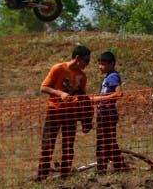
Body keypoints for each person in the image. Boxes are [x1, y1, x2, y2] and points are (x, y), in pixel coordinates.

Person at [36, 44, 91, 181]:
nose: (87, 64)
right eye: (86, 60)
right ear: (77, 58)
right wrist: (60, 93)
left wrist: (83, 114)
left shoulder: (82, 76)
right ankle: (42, 176)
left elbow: (82, 95)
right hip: (55, 110)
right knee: (48, 143)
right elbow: (43, 87)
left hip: (71, 114)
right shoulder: (58, 68)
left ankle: (65, 174)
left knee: (68, 145)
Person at [93, 51, 128, 174]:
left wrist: (100, 99)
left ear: (111, 64)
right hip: (103, 114)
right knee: (109, 142)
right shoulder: (107, 76)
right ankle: (120, 167)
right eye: (99, 64)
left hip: (107, 114)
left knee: (103, 143)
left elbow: (119, 93)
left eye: (103, 64)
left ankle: (101, 170)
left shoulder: (113, 76)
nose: (100, 66)